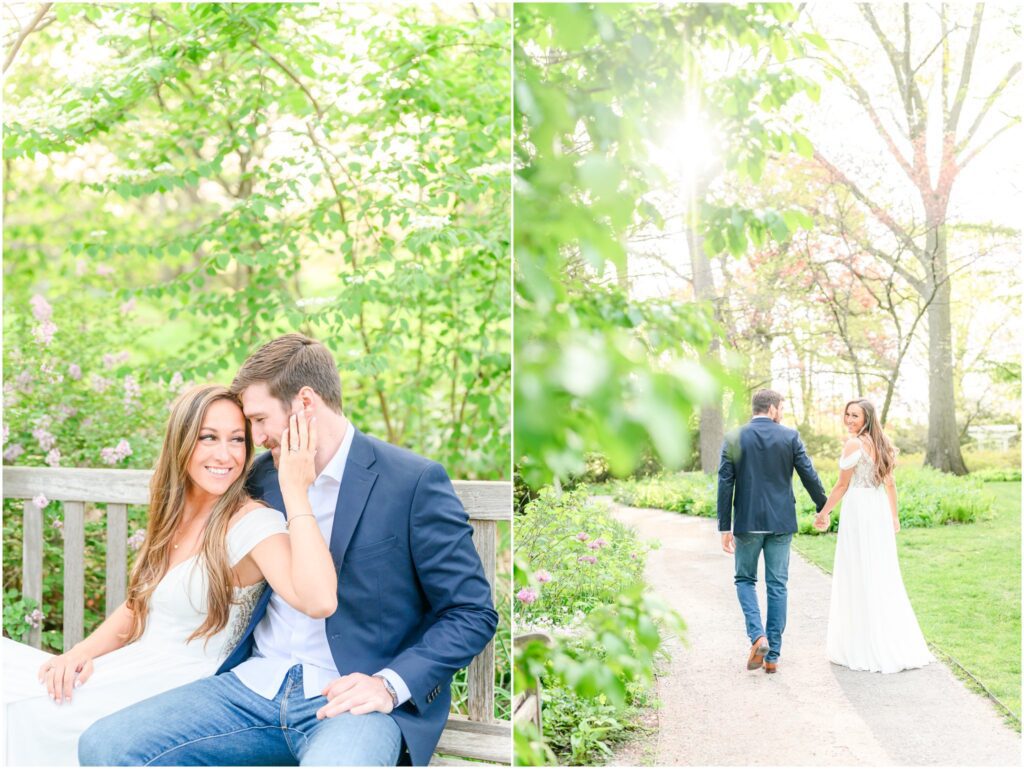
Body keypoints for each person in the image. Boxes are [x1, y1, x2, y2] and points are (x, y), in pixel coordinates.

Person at [79, 333, 499, 767]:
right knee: (106, 746)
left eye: (259, 420)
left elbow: (471, 611)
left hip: (350, 703)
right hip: (251, 687)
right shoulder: (259, 478)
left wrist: (389, 684)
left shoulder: (410, 482)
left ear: (305, 403)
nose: (255, 437)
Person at [4, 384, 335, 765]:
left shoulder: (252, 524)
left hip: (180, 688)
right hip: (136, 664)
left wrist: (296, 492)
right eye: (208, 437)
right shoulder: (174, 514)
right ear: (181, 441)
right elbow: (136, 608)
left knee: (29, 713)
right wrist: (80, 652)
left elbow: (319, 600)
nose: (225, 455)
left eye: (237, 440)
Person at [813, 398, 933, 673]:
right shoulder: (881, 443)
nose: (849, 419)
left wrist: (823, 514)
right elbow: (889, 484)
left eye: (855, 415)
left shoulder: (854, 444)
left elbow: (842, 485)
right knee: (879, 571)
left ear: (867, 417)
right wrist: (893, 516)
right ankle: (880, 636)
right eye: (847, 414)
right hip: (876, 510)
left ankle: (862, 642)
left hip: (860, 510)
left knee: (858, 570)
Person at [717, 388, 828, 674]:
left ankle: (758, 637)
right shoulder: (789, 436)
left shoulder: (734, 437)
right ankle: (773, 656)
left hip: (747, 522)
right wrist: (823, 507)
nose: (782, 412)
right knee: (777, 586)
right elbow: (809, 475)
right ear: (773, 408)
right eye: (781, 407)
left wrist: (724, 527)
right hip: (781, 522)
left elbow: (725, 484)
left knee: (744, 580)